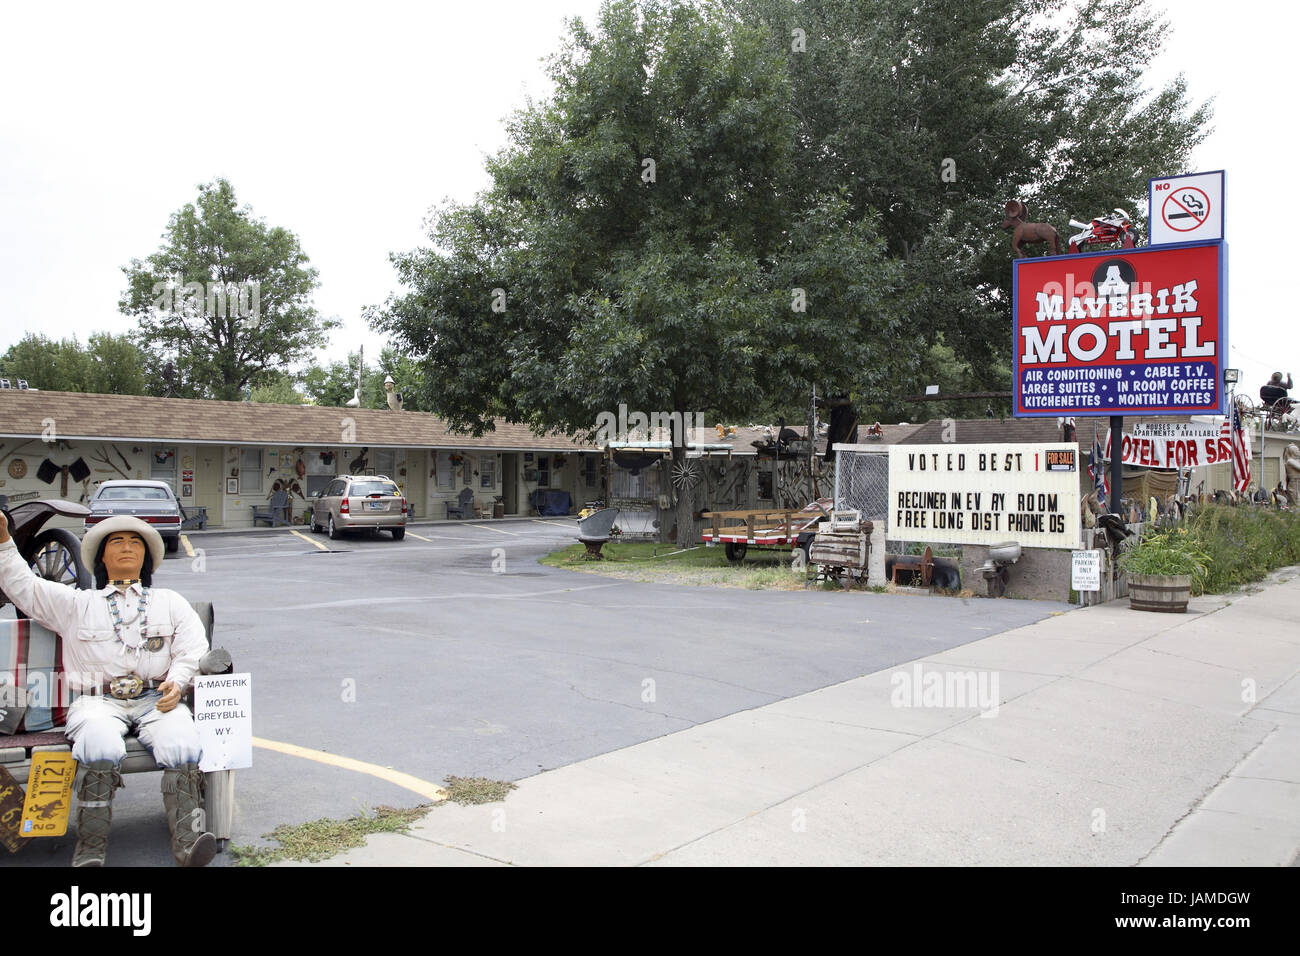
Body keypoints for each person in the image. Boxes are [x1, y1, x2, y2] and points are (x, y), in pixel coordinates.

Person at [0, 512, 215, 867]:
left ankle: (188, 844)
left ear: (146, 556)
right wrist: (5, 541)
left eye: (135, 543)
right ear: (101, 556)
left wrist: (177, 682)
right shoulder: (76, 605)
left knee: (183, 742)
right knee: (98, 743)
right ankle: (90, 848)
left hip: (156, 700)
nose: (128, 548)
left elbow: (194, 649)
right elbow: (23, 586)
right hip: (96, 701)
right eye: (117, 542)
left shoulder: (170, 602)